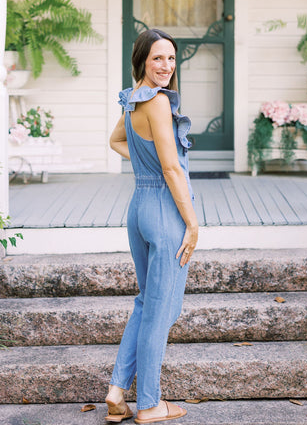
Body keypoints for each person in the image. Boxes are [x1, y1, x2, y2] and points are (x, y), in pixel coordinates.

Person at [105, 28, 199, 424]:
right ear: (142, 60)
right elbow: (173, 169)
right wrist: (192, 225)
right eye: (158, 58)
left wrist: (144, 166)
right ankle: (148, 404)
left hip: (139, 207)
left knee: (147, 303)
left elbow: (116, 141)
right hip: (163, 211)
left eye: (172, 59)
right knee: (161, 309)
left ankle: (115, 392)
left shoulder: (133, 101)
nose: (166, 66)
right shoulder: (157, 103)